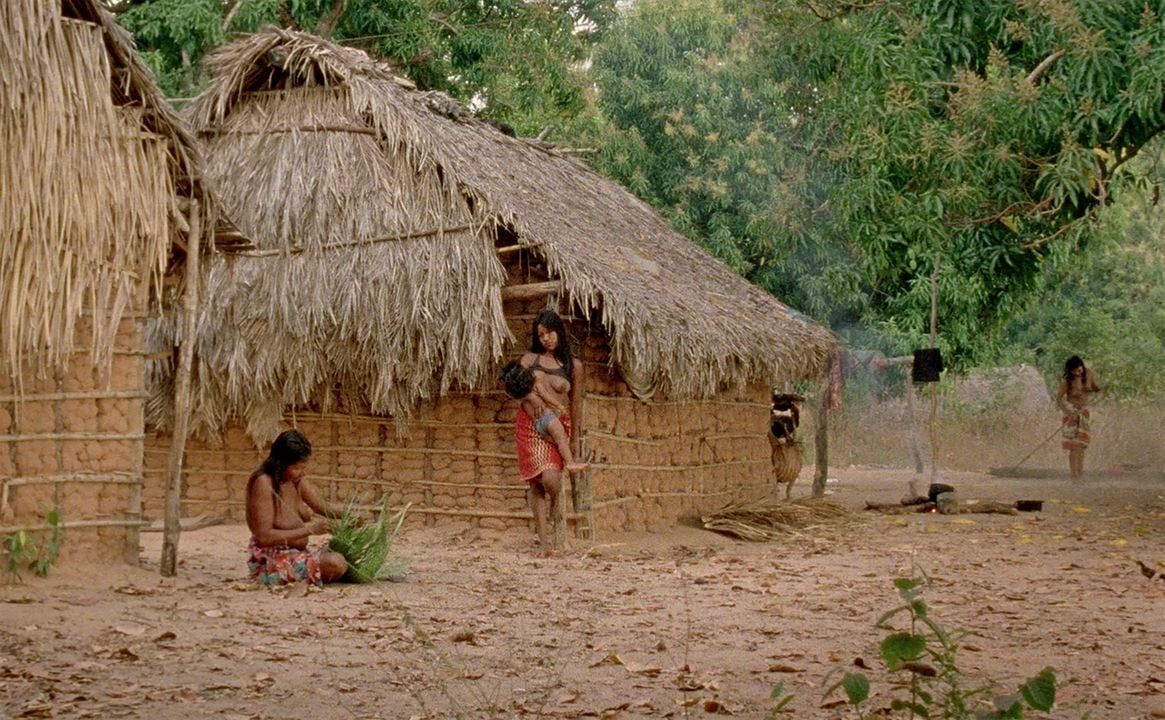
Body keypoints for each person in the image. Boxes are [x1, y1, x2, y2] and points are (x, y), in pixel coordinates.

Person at [514, 310, 582, 554]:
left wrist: (574, 439)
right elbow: (513, 388)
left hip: (558, 425)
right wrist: (532, 395)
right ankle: (544, 541)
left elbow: (576, 404)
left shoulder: (574, 366)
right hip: (530, 424)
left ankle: (556, 524)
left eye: (550, 332)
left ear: (559, 331)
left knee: (552, 479)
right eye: (541, 334)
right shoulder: (529, 359)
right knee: (536, 484)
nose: (546, 338)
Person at [245, 429, 348, 586]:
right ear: (280, 463)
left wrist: (350, 515)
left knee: (346, 554)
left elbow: (321, 507)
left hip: (299, 553)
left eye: (303, 467)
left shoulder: (296, 479)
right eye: (295, 468)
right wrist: (311, 530)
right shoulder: (264, 483)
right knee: (336, 563)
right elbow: (264, 536)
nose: (301, 472)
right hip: (272, 560)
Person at [500, 361, 588, 474]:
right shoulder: (536, 386)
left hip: (538, 426)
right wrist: (558, 405)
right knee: (562, 440)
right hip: (549, 420)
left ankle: (564, 459)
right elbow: (546, 397)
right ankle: (570, 463)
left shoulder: (522, 397)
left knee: (557, 442)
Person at [1056, 356, 1101, 480]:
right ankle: (1074, 474)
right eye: (1074, 370)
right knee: (1074, 446)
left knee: (1082, 445)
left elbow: (1096, 388)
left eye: (1079, 369)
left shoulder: (1088, 374)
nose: (1077, 372)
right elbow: (1059, 399)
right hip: (1072, 412)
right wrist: (1069, 412)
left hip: (1084, 413)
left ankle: (1080, 473)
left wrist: (1095, 388)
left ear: (1082, 366)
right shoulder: (1067, 381)